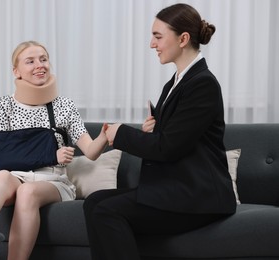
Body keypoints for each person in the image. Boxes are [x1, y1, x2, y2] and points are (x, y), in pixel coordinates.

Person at [83, 3, 237, 260]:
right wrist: (150, 132)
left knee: (106, 211)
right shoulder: (175, 83)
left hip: (198, 198)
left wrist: (121, 134)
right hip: (176, 190)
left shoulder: (203, 84)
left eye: (157, 36)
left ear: (183, 39)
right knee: (94, 202)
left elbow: (167, 148)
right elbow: (169, 140)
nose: (152, 44)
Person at [0, 41, 108, 260]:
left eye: (44, 59)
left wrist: (104, 135)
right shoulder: (4, 106)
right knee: (2, 176)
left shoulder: (63, 105)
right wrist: (52, 154)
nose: (40, 65)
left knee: (26, 192)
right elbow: (4, 157)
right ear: (16, 71)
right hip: (17, 175)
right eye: (30, 61)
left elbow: (91, 152)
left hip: (54, 182)